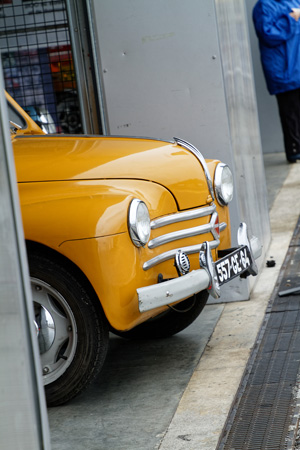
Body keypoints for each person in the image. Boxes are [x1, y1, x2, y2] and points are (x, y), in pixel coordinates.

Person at [253, 1, 300, 163]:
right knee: (291, 113)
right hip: (283, 71)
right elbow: (267, 34)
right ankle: (294, 150)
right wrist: (291, 19)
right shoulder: (264, 6)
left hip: (296, 67)